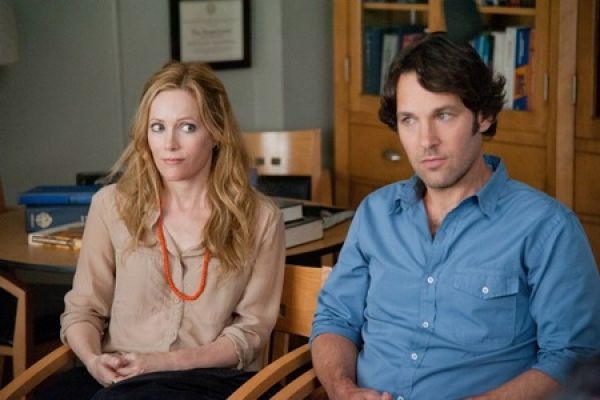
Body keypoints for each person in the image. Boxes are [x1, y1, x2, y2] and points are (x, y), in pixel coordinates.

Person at [310, 32, 600, 400]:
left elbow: (573, 359)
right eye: (409, 120)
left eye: (443, 115)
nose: (426, 140)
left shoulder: (548, 227)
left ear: (484, 116)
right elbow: (336, 319)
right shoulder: (375, 213)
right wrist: (342, 389)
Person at [40, 61, 286, 399]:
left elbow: (251, 333)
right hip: (117, 372)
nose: (169, 144)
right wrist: (94, 360)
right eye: (157, 127)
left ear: (216, 133)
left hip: (210, 379)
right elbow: (84, 310)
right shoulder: (110, 206)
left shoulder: (261, 218)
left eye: (187, 127)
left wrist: (160, 363)